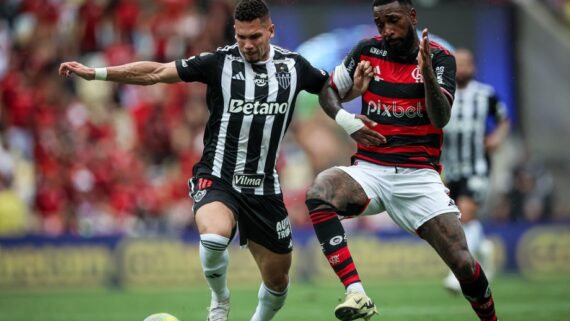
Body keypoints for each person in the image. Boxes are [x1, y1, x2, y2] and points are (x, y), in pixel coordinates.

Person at [59, 1, 383, 320]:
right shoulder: (218, 62)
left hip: (265, 187)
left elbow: (329, 90)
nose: (247, 44)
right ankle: (219, 299)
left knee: (278, 282)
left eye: (255, 37)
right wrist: (97, 73)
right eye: (241, 36)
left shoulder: (294, 66)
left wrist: (355, 90)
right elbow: (156, 72)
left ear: (271, 31)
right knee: (213, 237)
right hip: (218, 177)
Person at [307, 1, 499, 321]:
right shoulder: (367, 51)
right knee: (320, 191)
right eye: (379, 23)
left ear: (412, 16)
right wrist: (347, 119)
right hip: (370, 171)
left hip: (418, 176)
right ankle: (356, 292)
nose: (386, 30)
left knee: (464, 264)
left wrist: (427, 77)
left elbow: (440, 118)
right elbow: (329, 91)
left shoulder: (438, 58)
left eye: (393, 21)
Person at [441, 48, 510, 294]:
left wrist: (497, 137)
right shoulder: (443, 94)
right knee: (457, 220)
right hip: (450, 168)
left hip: (477, 166)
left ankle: (456, 273)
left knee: (466, 214)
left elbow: (504, 119)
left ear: (474, 67)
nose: (463, 68)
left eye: (467, 63)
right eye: (458, 64)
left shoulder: (486, 95)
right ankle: (484, 250)